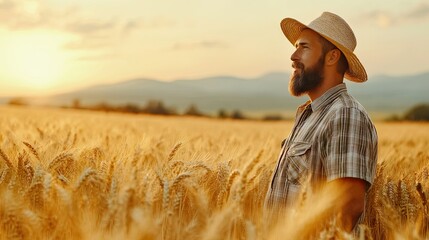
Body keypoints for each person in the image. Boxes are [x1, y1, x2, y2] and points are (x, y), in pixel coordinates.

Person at [264, 12, 378, 232]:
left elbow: (348, 207)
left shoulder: (345, 114)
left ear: (331, 57)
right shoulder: (310, 115)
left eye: (304, 47)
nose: (293, 56)